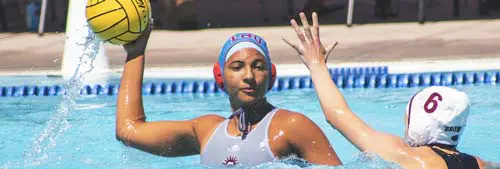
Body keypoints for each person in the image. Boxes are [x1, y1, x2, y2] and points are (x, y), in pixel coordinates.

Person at [283, 12, 499, 169]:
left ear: (420, 123)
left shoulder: (407, 156)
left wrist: (316, 64)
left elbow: (336, 114)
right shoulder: (479, 163)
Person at [114, 20, 342, 167]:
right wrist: (136, 52)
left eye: (258, 66)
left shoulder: (292, 126)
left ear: (271, 76)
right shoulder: (206, 131)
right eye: (237, 67)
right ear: (220, 78)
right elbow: (129, 131)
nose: (249, 75)